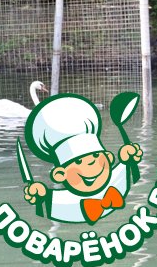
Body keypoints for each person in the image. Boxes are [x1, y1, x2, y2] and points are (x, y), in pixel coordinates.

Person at [22, 94, 143, 224]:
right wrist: (40, 196)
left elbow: (128, 170)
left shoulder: (117, 180)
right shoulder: (62, 203)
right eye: (79, 161)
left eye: (96, 155)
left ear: (109, 157)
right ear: (60, 174)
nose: (91, 163)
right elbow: (45, 203)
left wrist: (128, 159)